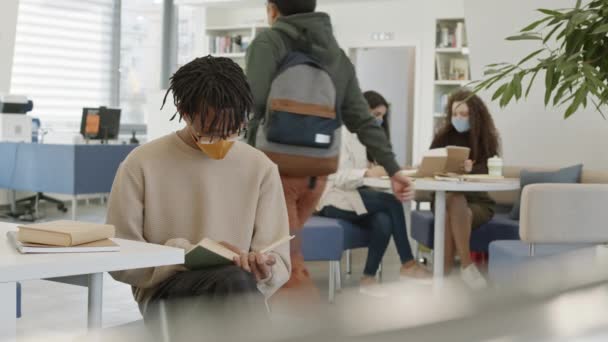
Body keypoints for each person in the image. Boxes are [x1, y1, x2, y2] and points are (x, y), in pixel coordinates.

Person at [246, 0, 414, 293]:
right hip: (317, 173)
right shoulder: (335, 54)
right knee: (285, 254)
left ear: (272, 10)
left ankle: (299, 327)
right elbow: (362, 120)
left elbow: (251, 108)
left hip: (275, 169)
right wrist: (393, 169)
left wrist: (242, 164)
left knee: (283, 262)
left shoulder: (267, 43)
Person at [106, 56, 291, 323]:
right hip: (166, 291)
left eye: (234, 130)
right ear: (184, 112)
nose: (223, 140)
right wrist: (185, 254)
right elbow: (120, 255)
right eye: (212, 131)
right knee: (231, 283)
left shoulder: (260, 167)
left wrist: (264, 268)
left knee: (234, 282)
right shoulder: (141, 163)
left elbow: (279, 259)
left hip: (240, 289)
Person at [317, 91, 430, 288]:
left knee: (383, 220)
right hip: (332, 198)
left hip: (354, 196)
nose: (379, 120)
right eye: (376, 114)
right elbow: (337, 176)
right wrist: (367, 174)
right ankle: (408, 263)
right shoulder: (341, 133)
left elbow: (373, 167)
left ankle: (368, 278)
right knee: (393, 202)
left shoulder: (367, 137)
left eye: (382, 116)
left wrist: (396, 169)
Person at [430, 89, 500, 289]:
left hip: (478, 202)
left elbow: (491, 168)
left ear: (475, 115)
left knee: (455, 206)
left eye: (463, 114)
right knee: (453, 199)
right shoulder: (442, 137)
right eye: (454, 114)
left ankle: (442, 276)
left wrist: (472, 170)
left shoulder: (487, 139)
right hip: (444, 198)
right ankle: (467, 266)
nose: (458, 118)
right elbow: (432, 164)